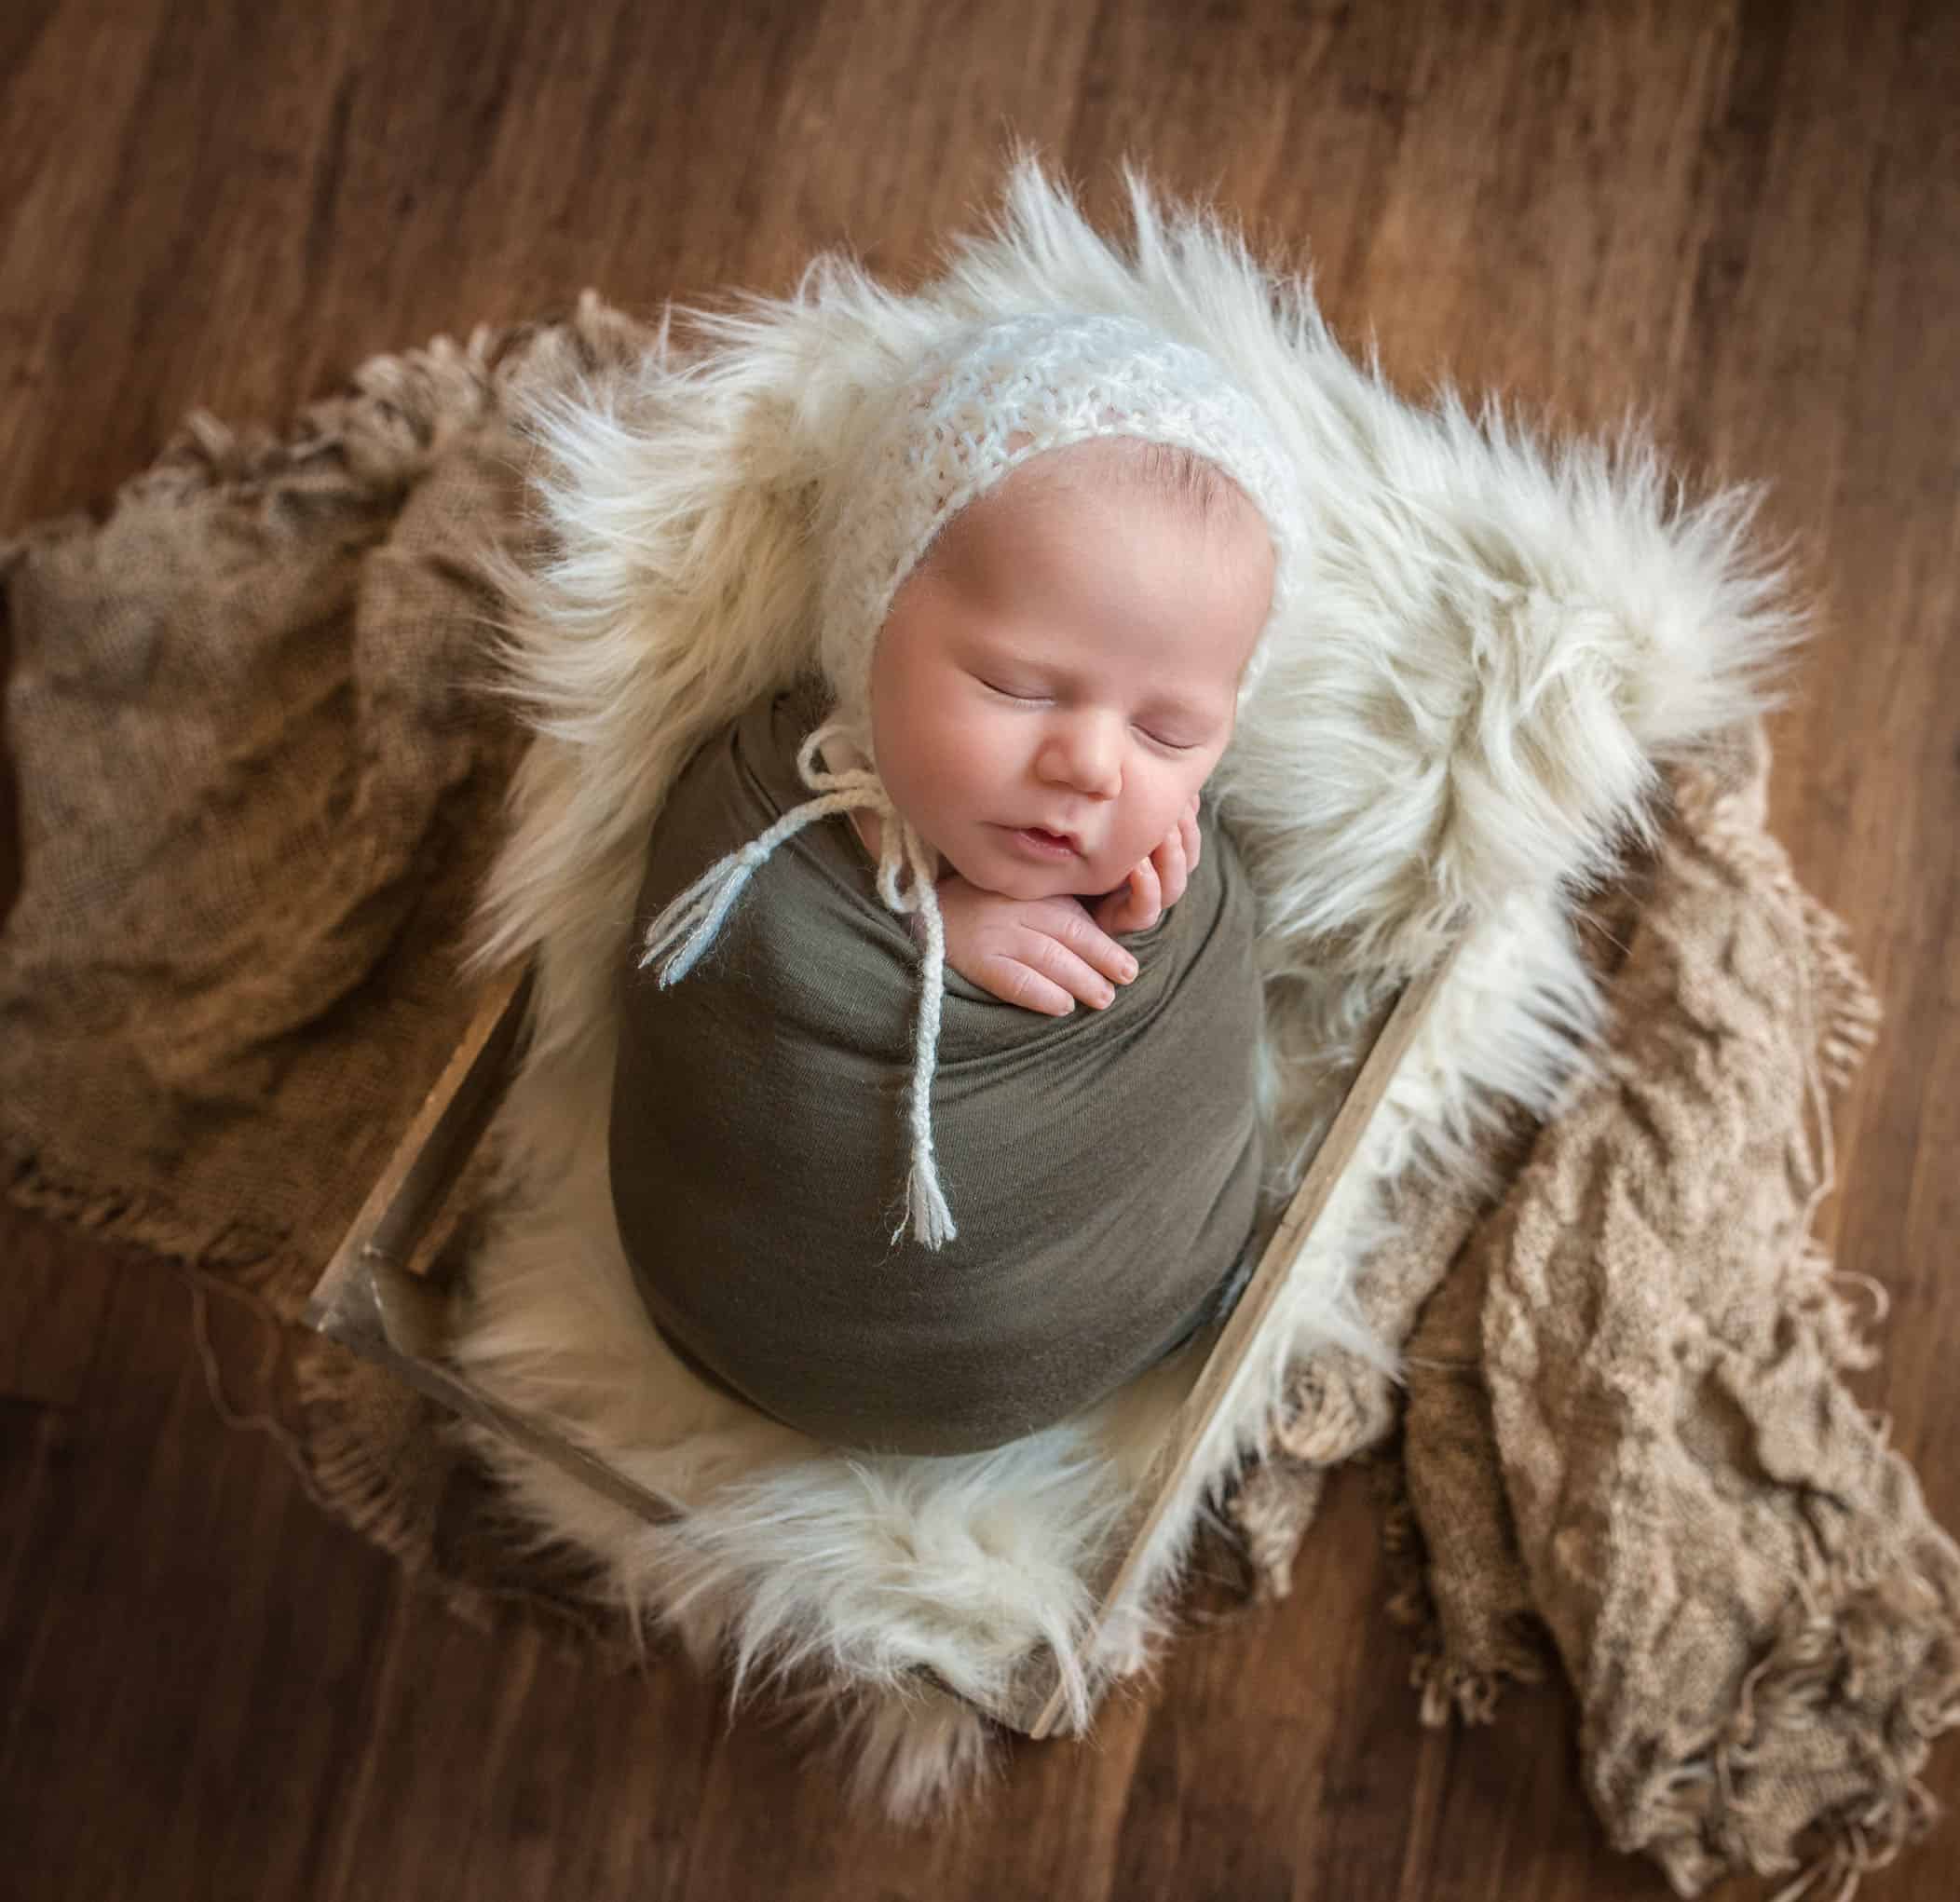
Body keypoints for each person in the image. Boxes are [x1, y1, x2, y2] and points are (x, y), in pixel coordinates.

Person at [606, 310, 1306, 1453]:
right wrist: (933, 936)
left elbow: (1202, 1015)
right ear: (872, 617)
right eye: (1018, 686)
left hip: (1110, 1307)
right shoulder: (759, 800)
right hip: (759, 1319)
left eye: (1170, 731)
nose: (1088, 764)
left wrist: (1143, 924)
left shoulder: (1165, 838)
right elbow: (714, 974)